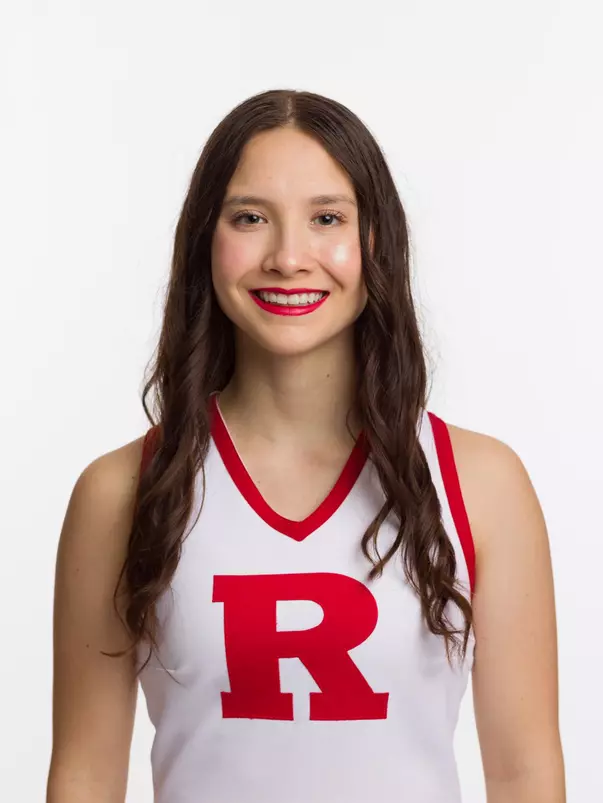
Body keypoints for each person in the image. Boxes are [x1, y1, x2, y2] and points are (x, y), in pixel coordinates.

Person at [47, 89, 565, 803]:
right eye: (251, 218)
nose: (289, 257)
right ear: (206, 239)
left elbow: (523, 775)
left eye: (327, 218)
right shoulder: (123, 491)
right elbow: (85, 775)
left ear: (375, 242)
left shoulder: (480, 483)